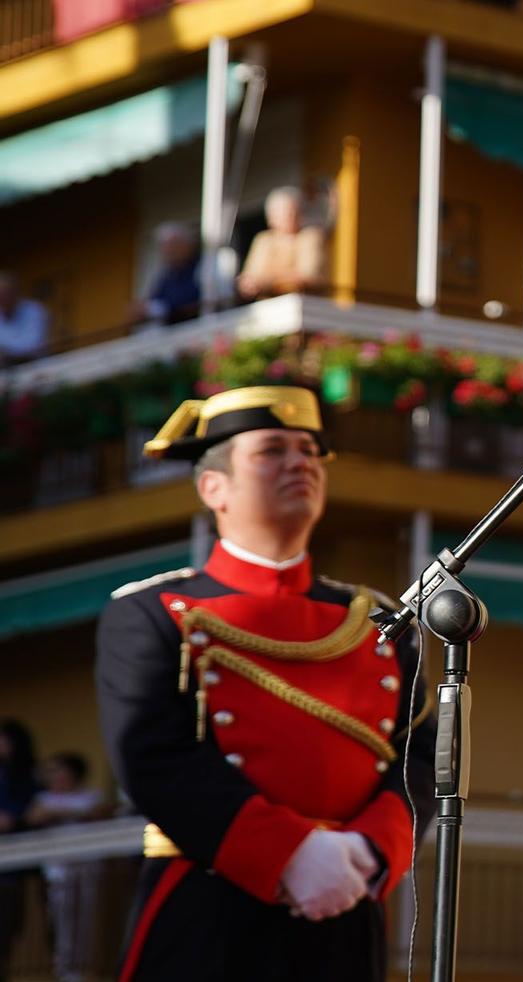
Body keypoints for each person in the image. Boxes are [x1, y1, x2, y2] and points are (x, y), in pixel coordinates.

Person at [96, 386, 436, 980]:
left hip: (346, 902)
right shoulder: (151, 610)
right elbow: (155, 757)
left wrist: (367, 850)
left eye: (309, 450)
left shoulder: (380, 618)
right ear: (213, 488)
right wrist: (289, 854)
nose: (300, 462)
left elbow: (422, 757)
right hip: (208, 899)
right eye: (271, 450)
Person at [24, 754, 111, 982]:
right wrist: (66, 811)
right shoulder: (44, 798)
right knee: (61, 919)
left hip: (87, 866)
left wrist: (62, 812)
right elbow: (34, 816)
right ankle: (64, 969)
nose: (55, 777)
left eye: (59, 771)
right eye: (51, 772)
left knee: (86, 918)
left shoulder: (91, 796)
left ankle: (84, 968)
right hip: (58, 871)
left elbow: (101, 812)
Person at [0, 719, 40, 982]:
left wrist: (15, 818)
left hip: (14, 872)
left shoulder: (24, 778)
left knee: (8, 935)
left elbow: (30, 812)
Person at [237, 187, 327, 299]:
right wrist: (248, 284)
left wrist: (265, 282)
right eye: (283, 213)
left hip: (302, 306)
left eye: (292, 211)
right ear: (270, 217)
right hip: (268, 307)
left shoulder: (310, 236)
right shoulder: (263, 240)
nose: (289, 216)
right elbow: (251, 277)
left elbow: (306, 276)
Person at [132, 223, 202, 325]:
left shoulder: (202, 267)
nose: (167, 252)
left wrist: (154, 309)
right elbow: (155, 299)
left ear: (186, 246)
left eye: (172, 246)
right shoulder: (166, 276)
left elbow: (190, 300)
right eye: (164, 247)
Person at [0, 273, 49, 365]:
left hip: (36, 367)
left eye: (4, 293)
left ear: (15, 292)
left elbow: (33, 345)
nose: (1, 298)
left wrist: (6, 351)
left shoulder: (35, 310)